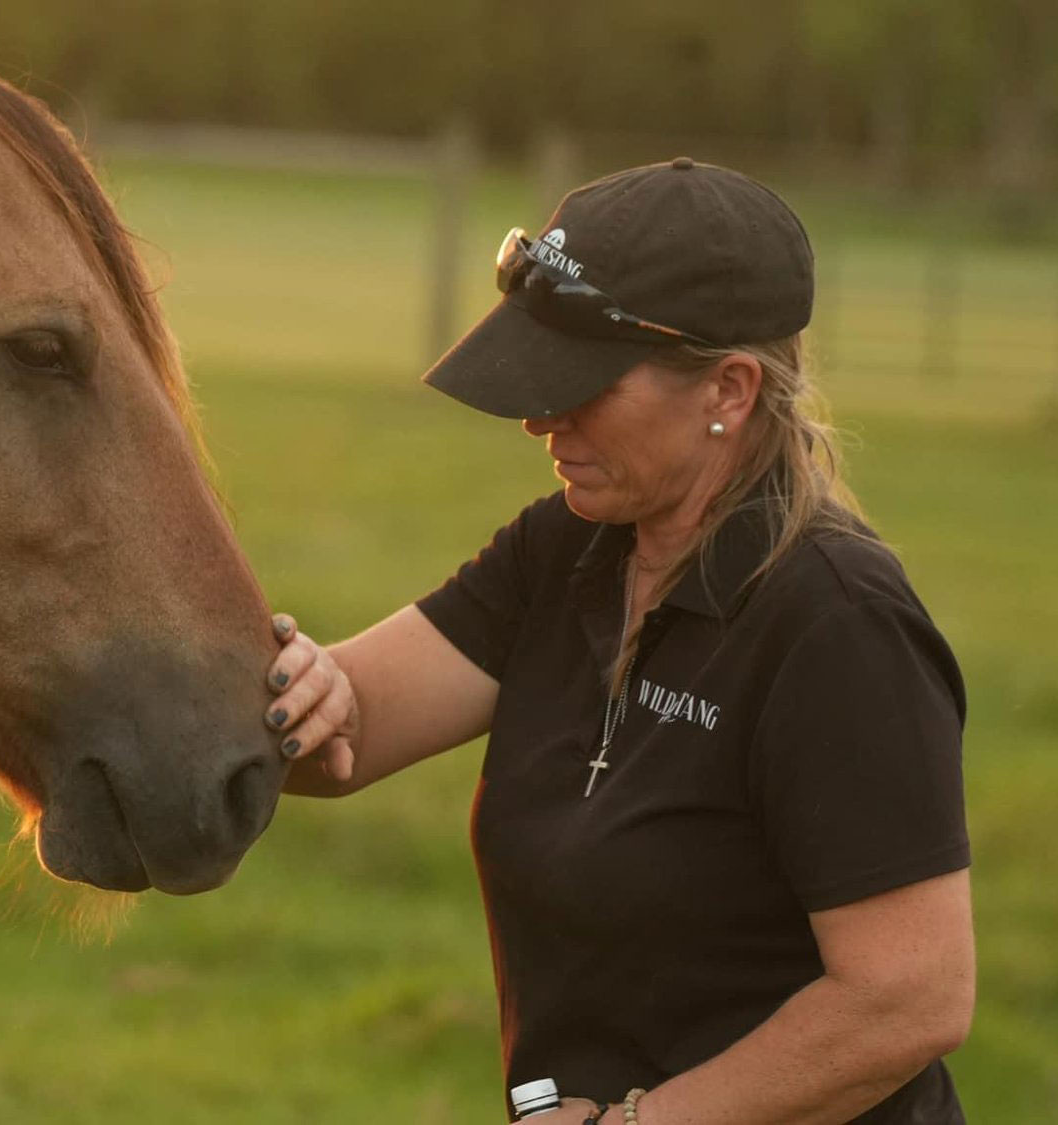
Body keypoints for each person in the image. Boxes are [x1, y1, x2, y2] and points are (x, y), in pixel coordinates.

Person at [261, 158, 974, 1124]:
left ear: (728, 387)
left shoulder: (837, 623)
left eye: (580, 384)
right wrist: (295, 688)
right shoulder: (567, 550)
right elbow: (347, 732)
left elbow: (909, 997)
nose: (537, 418)